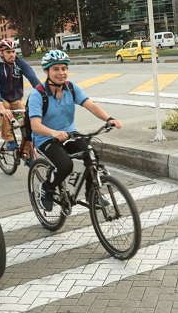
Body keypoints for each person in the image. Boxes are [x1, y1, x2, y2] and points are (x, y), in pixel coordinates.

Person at [27, 50, 123, 211]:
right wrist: (53, 132)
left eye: (64, 68)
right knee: (65, 166)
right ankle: (48, 187)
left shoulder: (70, 88)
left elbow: (90, 105)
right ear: (46, 71)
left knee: (91, 153)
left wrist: (109, 119)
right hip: (46, 138)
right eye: (55, 69)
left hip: (69, 134)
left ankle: (92, 193)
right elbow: (35, 125)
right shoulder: (38, 94)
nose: (61, 73)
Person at [0, 38, 41, 151]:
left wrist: (43, 93)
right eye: (8, 52)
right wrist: (0, 107)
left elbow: (32, 77)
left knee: (25, 120)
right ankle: (9, 139)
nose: (12, 54)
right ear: (1, 53)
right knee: (5, 109)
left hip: (15, 99)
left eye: (13, 51)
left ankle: (26, 153)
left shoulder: (19, 62)